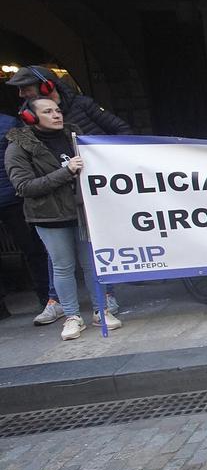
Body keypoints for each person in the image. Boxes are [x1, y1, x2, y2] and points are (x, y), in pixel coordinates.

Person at [7, 65, 130, 321]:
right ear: (31, 118)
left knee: (92, 260)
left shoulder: (80, 115)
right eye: (48, 112)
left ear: (46, 86)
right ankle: (65, 307)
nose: (21, 94)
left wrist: (104, 156)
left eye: (26, 88)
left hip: (84, 204)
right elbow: (25, 184)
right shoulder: (22, 142)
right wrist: (66, 171)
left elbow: (121, 130)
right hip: (52, 212)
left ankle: (103, 303)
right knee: (61, 262)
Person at [0, 111, 51, 321]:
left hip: (14, 195)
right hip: (14, 195)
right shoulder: (8, 122)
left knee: (34, 248)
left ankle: (48, 298)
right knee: (33, 249)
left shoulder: (7, 123)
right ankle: (47, 298)